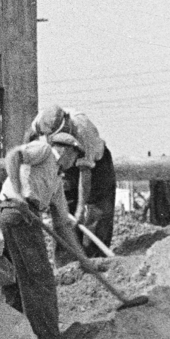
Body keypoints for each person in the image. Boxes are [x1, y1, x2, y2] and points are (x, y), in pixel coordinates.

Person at [0, 132, 83, 339]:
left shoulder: (57, 181)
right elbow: (13, 156)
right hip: (16, 214)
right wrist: (20, 195)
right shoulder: (44, 151)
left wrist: (81, 255)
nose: (74, 163)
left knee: (14, 283)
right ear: (65, 150)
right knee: (40, 281)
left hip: (22, 218)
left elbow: (62, 222)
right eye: (75, 157)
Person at [27, 105, 116, 255]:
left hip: (96, 166)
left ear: (67, 124)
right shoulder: (43, 120)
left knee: (99, 211)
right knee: (64, 211)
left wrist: (80, 211)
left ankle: (94, 258)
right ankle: (66, 262)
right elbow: (29, 135)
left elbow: (85, 174)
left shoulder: (83, 130)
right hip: (67, 162)